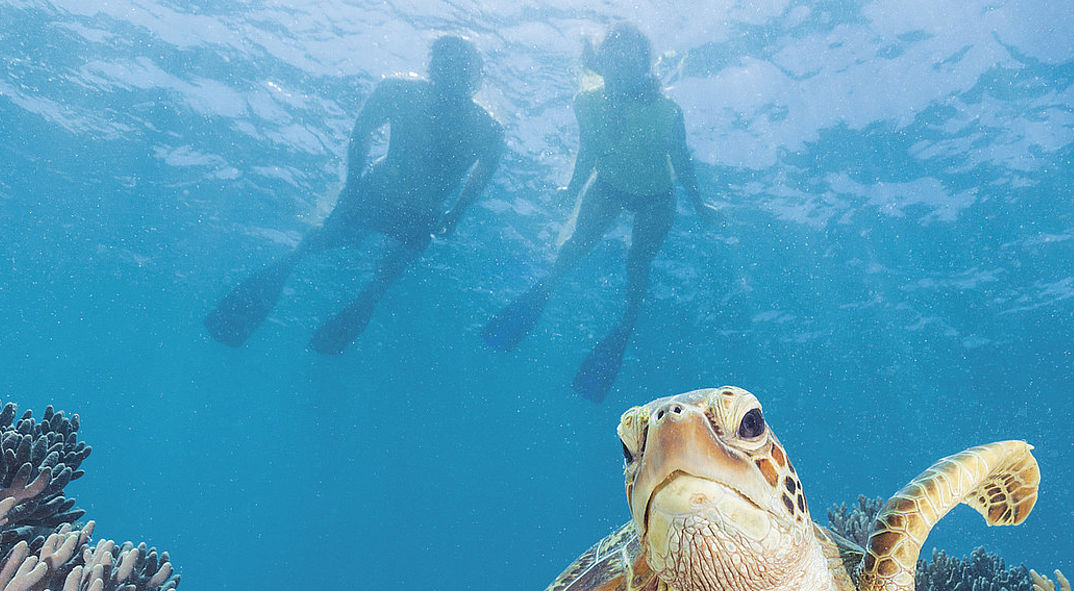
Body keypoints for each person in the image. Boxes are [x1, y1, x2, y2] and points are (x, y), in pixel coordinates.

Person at [207, 35, 505, 353]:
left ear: (474, 77)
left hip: (395, 205)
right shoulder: (423, 101)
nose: (452, 75)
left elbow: (363, 132)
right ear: (435, 67)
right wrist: (353, 187)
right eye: (447, 65)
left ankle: (349, 299)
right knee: (347, 266)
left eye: (459, 68)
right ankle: (349, 300)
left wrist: (455, 212)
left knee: (350, 268)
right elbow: (362, 132)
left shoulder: (478, 125)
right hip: (390, 203)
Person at [478, 22, 720, 402]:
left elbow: (682, 161)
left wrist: (699, 203)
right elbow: (587, 151)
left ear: (645, 65)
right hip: (607, 186)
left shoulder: (667, 110)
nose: (622, 64)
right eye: (614, 55)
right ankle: (544, 290)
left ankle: (625, 325)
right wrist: (571, 190)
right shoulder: (585, 102)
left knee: (637, 262)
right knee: (575, 246)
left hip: (657, 197)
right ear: (600, 61)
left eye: (631, 57)